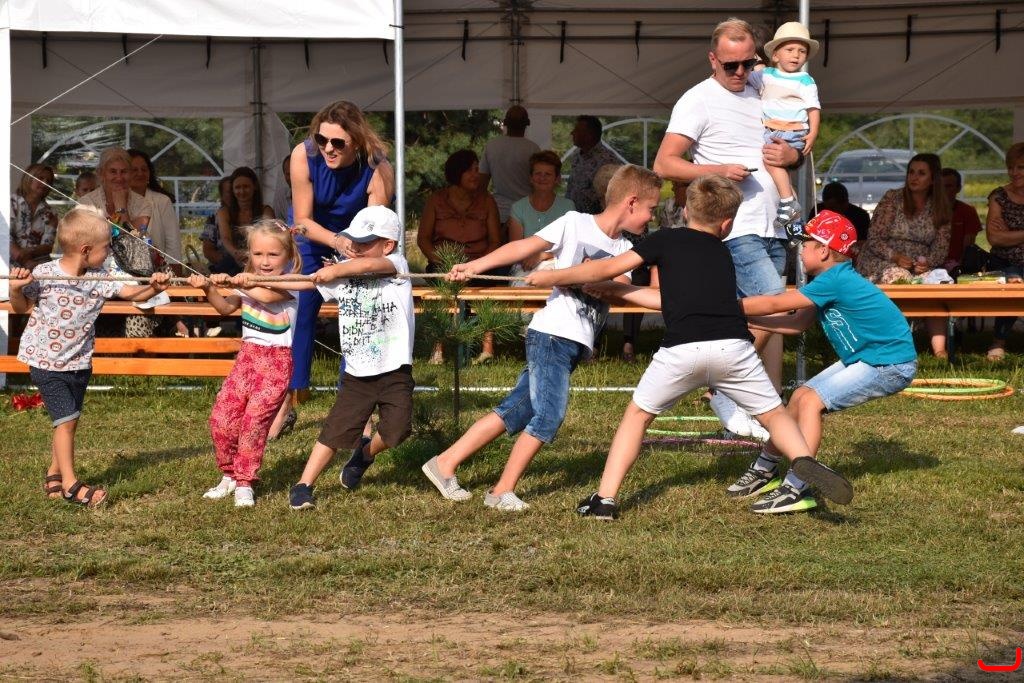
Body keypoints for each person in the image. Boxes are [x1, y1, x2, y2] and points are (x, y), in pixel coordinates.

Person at [525, 175, 852, 520]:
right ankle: (803, 460)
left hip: (681, 351)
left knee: (638, 416)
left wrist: (551, 277)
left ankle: (604, 498)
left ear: (685, 211)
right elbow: (673, 300)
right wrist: (618, 291)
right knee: (774, 415)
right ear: (726, 224)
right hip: (733, 348)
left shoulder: (664, 239)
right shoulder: (724, 254)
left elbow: (606, 268)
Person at [420, 165, 661, 512]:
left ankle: (444, 463)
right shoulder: (574, 223)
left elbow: (620, 285)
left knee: (517, 409)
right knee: (549, 416)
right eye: (651, 208)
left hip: (574, 343)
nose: (651, 217)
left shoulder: (625, 247)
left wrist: (601, 283)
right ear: (632, 202)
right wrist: (475, 266)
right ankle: (501, 491)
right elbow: (525, 246)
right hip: (552, 335)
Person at [653, 17, 802, 433]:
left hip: (774, 224)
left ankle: (750, 405)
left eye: (747, 63)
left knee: (755, 316)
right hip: (735, 225)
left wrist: (792, 157)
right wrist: (718, 170)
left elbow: (796, 145)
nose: (740, 72)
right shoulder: (697, 99)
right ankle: (721, 389)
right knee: (774, 305)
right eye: (730, 65)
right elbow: (664, 164)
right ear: (712, 60)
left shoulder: (764, 89)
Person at [734, 210, 916, 512]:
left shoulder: (835, 280)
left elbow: (775, 303)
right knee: (798, 398)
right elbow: (796, 324)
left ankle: (797, 487)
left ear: (823, 250)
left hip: (888, 364)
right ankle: (766, 469)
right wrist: (748, 320)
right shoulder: (829, 281)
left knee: (810, 402)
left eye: (806, 245)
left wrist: (725, 306)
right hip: (868, 357)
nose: (801, 251)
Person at [9, 206, 170, 508]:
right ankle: (71, 485)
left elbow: (131, 295)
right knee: (66, 420)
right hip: (46, 362)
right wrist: (16, 289)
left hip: (79, 362)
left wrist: (152, 288)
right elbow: (21, 307)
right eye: (106, 246)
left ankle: (54, 473)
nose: (109, 252)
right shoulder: (44, 274)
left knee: (68, 420)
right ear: (85, 250)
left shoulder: (100, 277)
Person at [286, 207, 415, 509]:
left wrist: (337, 270)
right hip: (357, 372)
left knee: (398, 430)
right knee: (335, 431)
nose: (355, 247)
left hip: (395, 369)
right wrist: (253, 282)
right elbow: (304, 283)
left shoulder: (397, 265)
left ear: (388, 245)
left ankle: (365, 455)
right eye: (353, 241)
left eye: (365, 242)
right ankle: (304, 484)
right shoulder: (343, 271)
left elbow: (371, 265)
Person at [285, 100, 394, 422]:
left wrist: (350, 253)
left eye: (337, 142)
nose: (328, 148)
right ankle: (288, 400)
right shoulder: (303, 155)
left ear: (357, 142)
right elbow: (302, 220)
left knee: (356, 316)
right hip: (311, 237)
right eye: (322, 139)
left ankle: (353, 401)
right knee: (300, 313)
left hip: (358, 243)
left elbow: (376, 229)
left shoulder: (378, 167)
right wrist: (335, 241)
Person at [192, 219, 302, 508]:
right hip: (247, 359)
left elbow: (266, 295)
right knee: (222, 418)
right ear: (249, 254)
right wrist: (208, 287)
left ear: (288, 256)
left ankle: (245, 481)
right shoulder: (247, 281)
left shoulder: (291, 282)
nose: (265, 262)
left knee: (254, 423)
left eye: (273, 254)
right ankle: (229, 474)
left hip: (276, 363)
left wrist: (238, 282)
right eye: (258, 254)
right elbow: (224, 307)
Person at [856, 152, 951, 357]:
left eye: (921, 173)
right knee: (900, 277)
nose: (914, 177)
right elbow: (874, 238)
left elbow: (941, 247)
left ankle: (940, 351)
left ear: (933, 179)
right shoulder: (893, 198)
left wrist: (927, 263)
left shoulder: (939, 207)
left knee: (937, 284)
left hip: (918, 264)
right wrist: (896, 257)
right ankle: (894, 344)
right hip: (881, 259)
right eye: (911, 172)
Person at [417, 149, 502, 363]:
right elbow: (423, 239)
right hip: (444, 265)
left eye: (477, 169)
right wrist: (441, 262)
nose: (476, 175)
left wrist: (480, 264)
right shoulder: (436, 200)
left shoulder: (487, 201)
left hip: (480, 265)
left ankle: (487, 350)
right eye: (470, 170)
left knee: (488, 290)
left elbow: (495, 241)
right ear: (457, 172)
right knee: (440, 294)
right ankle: (438, 350)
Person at [748, 22, 821, 232]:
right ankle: (795, 225)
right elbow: (747, 74)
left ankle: (789, 204)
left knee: (772, 162)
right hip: (774, 128)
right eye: (790, 50)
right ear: (775, 55)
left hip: (791, 129)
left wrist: (813, 132)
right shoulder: (767, 74)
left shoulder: (805, 80)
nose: (796, 55)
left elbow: (813, 107)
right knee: (783, 176)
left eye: (802, 51)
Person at [507, 150, 575, 282]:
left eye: (548, 174)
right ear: (531, 178)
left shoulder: (568, 207)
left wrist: (543, 256)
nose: (542, 178)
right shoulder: (518, 207)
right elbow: (515, 249)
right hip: (524, 266)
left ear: (557, 179)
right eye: (538, 173)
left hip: (558, 266)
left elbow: (571, 246)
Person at [984, 142, 1024, 362]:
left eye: (1021, 167)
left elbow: (1004, 236)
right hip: (1005, 262)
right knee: (1014, 279)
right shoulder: (999, 196)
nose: (1014, 172)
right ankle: (998, 341)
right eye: (1011, 167)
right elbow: (995, 238)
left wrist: (1011, 233)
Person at [479, 105, 541, 229]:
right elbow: (540, 185)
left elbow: (481, 184)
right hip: (527, 214)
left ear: (505, 123)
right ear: (527, 124)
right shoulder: (533, 149)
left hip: (499, 213)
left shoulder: (492, 146)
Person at [128, 148, 183, 275]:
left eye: (144, 169)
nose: (140, 173)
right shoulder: (116, 200)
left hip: (158, 274)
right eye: (134, 170)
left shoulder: (162, 201)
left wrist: (175, 276)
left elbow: (173, 243)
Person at [215, 166, 276, 274]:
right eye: (237, 187)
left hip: (259, 262)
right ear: (232, 190)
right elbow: (225, 238)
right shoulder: (223, 212)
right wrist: (236, 253)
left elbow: (269, 238)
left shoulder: (266, 211)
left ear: (255, 187)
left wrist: (251, 255)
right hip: (232, 261)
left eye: (246, 186)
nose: (242, 191)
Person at [565, 115, 620, 214]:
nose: (572, 133)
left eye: (577, 130)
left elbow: (612, 196)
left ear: (589, 135)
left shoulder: (607, 160)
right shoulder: (577, 156)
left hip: (595, 219)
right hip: (573, 216)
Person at [10, 164, 58, 269]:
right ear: (28, 178)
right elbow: (4, 236)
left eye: (49, 181)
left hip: (38, 267)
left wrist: (29, 252)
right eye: (40, 178)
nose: (45, 183)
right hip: (8, 265)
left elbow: (48, 246)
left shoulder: (51, 212)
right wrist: (25, 261)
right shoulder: (10, 203)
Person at [940, 168, 982, 272]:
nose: (943, 190)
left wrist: (959, 268)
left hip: (957, 265)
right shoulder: (924, 212)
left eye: (948, 186)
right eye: (940, 186)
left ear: (958, 188)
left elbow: (968, 246)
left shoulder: (968, 211)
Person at [201, 176, 237, 274]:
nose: (234, 194)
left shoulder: (248, 216)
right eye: (229, 192)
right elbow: (208, 251)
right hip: (224, 271)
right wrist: (230, 263)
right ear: (222, 196)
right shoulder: (213, 219)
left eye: (235, 190)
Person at [273, 154, 293, 222]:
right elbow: (280, 224)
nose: (292, 177)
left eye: (294, 173)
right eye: (288, 174)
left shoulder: (315, 194)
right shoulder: (280, 197)